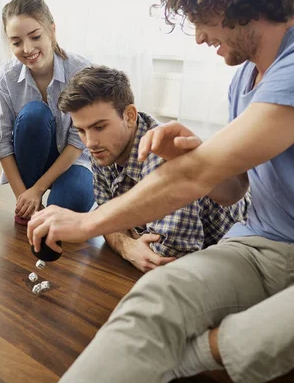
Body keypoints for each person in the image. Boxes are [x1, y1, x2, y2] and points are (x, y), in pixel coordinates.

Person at [27, 0, 294, 381]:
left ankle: (204, 350)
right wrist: (189, 158)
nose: (199, 36)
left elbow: (197, 177)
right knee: (154, 298)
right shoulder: (244, 79)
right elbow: (232, 191)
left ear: (236, 0)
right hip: (259, 248)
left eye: (202, 19)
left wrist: (87, 223)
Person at [58, 65, 250, 272]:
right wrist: (128, 246)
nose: (90, 142)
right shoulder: (104, 149)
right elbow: (105, 215)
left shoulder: (164, 155)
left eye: (99, 127)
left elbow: (165, 259)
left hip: (240, 257)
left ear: (130, 116)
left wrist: (121, 230)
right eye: (81, 130)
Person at [0, 0, 95, 226]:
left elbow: (78, 141)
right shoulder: (6, 77)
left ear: (52, 30)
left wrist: (39, 189)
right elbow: (2, 143)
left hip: (74, 159)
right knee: (34, 115)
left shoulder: (81, 70)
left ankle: (51, 191)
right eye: (16, 42)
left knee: (69, 207)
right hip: (31, 158)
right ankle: (30, 201)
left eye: (35, 36)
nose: (27, 49)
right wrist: (24, 196)